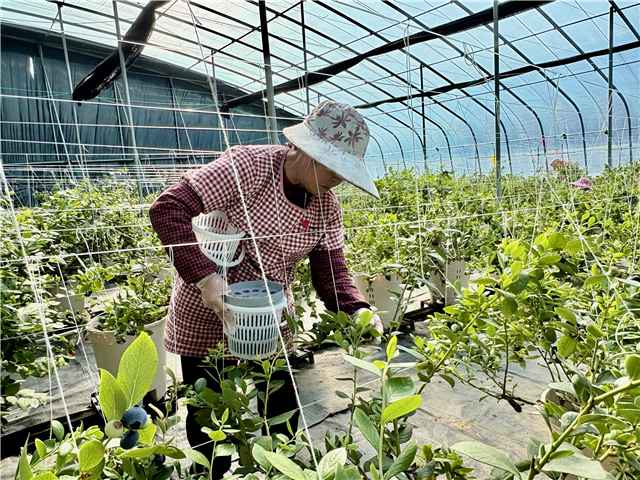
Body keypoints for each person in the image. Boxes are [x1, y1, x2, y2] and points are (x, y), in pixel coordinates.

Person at [149, 100, 383, 477]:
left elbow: (331, 273)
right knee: (209, 409)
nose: (338, 179)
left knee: (280, 402)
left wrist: (358, 309)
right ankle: (211, 473)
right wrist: (206, 277)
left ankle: (282, 468)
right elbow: (168, 208)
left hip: (268, 317)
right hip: (208, 306)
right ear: (303, 148)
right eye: (333, 166)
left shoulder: (326, 208)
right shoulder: (248, 168)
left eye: (346, 170)